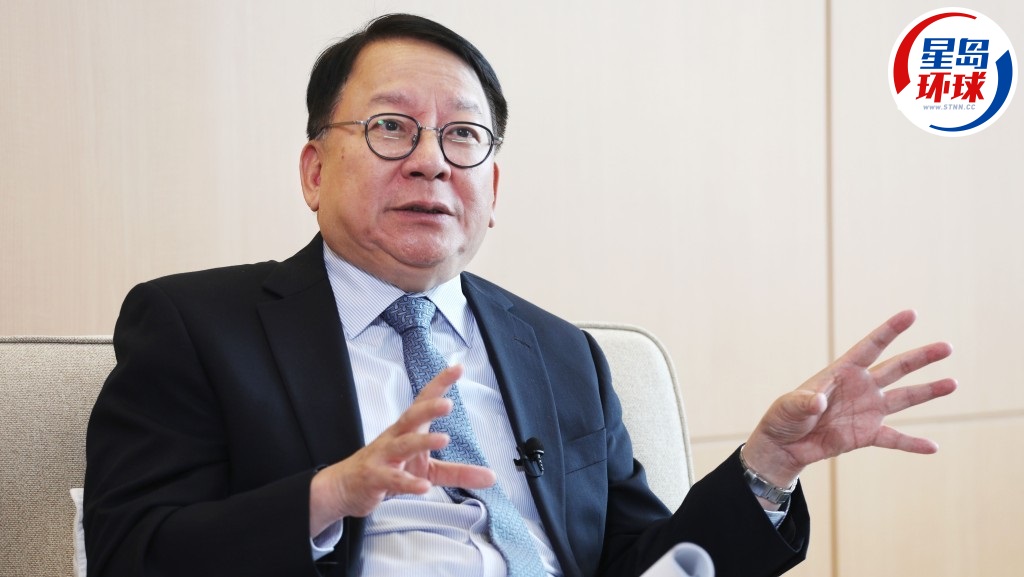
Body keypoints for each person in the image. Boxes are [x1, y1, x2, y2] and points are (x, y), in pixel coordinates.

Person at [83, 13, 956, 577]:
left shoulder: (563, 353)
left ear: (492, 189)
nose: (431, 160)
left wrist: (768, 466)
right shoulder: (198, 326)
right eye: (391, 128)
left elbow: (640, 561)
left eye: (463, 136)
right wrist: (334, 492)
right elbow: (127, 552)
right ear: (314, 170)